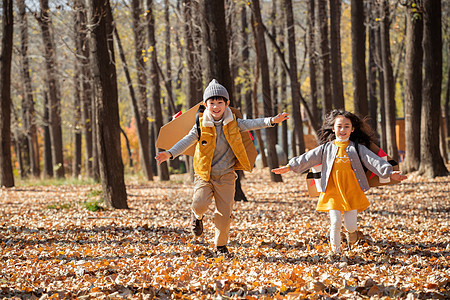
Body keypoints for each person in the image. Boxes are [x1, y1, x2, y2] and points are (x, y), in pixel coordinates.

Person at [155, 79, 289, 256]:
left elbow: (253, 123)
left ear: (227, 103)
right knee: (199, 204)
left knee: (224, 215)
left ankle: (220, 246)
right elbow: (186, 141)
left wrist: (272, 120)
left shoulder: (234, 122)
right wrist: (170, 153)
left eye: (220, 103)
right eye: (212, 103)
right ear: (205, 104)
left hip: (226, 176)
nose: (216, 107)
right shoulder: (200, 125)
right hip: (205, 174)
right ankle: (197, 217)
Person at [272, 109, 407, 258]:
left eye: (346, 126)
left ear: (352, 129)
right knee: (335, 223)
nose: (343, 130)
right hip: (332, 191)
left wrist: (389, 172)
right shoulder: (326, 148)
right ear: (333, 128)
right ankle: (335, 253)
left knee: (350, 226)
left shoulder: (356, 148)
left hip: (351, 191)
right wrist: (289, 166)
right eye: (339, 126)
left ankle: (352, 233)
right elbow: (307, 158)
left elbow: (373, 161)